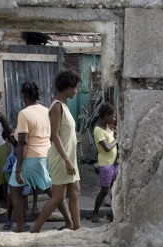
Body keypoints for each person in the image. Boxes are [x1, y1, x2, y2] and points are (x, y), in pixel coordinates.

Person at [9, 81, 70, 233]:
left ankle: (21, 226)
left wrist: (18, 170)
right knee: (54, 193)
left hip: (31, 158)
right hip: (46, 155)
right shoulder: (46, 110)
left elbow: (22, 142)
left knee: (15, 190)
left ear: (25, 96)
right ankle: (69, 221)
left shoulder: (24, 113)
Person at [30, 69, 81, 233]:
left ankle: (76, 228)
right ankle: (35, 229)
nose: (76, 91)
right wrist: (66, 160)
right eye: (75, 88)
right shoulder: (57, 107)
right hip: (62, 158)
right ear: (68, 88)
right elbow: (54, 135)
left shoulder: (64, 106)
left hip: (69, 157)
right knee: (58, 197)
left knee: (75, 191)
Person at [92, 103, 119, 223]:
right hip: (106, 164)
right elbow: (107, 147)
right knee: (104, 190)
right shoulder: (98, 130)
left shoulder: (109, 128)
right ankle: (95, 214)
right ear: (106, 115)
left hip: (114, 163)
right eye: (113, 116)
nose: (114, 119)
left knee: (114, 190)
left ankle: (113, 214)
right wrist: (118, 139)